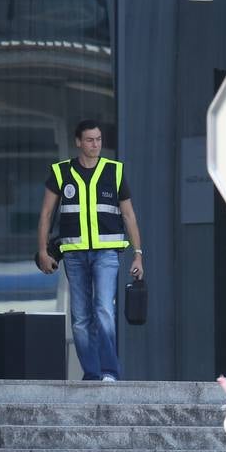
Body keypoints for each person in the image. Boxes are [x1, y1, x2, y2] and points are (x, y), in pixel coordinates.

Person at [36, 120, 143, 381]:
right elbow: (46, 214)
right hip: (74, 254)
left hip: (107, 254)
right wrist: (42, 251)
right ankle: (92, 374)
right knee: (81, 318)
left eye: (98, 140)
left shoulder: (114, 171)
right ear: (78, 142)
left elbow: (129, 215)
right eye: (90, 140)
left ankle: (109, 371)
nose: (95, 145)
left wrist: (138, 253)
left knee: (104, 309)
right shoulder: (61, 173)